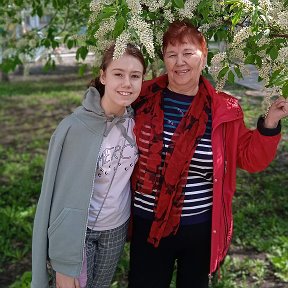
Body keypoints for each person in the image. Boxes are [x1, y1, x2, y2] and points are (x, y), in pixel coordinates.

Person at [128, 21, 288, 288]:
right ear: (164, 59)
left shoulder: (224, 108)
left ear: (204, 55)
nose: (180, 62)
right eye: (171, 54)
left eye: (188, 52)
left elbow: (250, 158)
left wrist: (269, 123)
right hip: (148, 226)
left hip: (200, 230)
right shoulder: (141, 97)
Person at [31, 43, 146, 288]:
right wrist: (62, 259)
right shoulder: (74, 127)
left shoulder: (138, 123)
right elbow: (56, 197)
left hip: (115, 228)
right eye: (118, 74)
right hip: (79, 231)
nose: (127, 83)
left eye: (135, 76)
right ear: (103, 76)